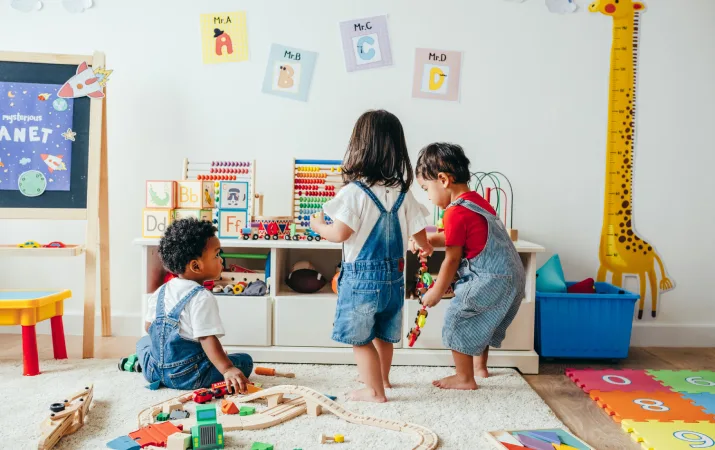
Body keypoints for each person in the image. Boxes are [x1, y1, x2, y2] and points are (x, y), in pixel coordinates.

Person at [310, 109, 433, 402]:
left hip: (362, 281)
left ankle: (374, 391)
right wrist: (421, 246)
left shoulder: (355, 192)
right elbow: (420, 234)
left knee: (360, 339)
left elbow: (339, 233)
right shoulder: (403, 191)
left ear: (360, 148)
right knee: (383, 334)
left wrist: (318, 226)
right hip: (394, 279)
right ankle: (384, 380)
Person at [411, 142, 525, 390]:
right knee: (481, 319)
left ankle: (464, 378)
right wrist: (429, 239)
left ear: (442, 180)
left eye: (426, 189)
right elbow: (461, 238)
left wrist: (437, 291)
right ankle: (479, 367)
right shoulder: (476, 202)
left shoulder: (454, 212)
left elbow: (452, 258)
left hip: (489, 276)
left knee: (458, 318)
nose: (428, 197)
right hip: (512, 275)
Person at [136, 218, 253, 393]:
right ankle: (222, 366)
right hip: (189, 376)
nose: (221, 260)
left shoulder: (161, 291)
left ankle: (142, 365)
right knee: (244, 361)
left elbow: (148, 327)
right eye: (216, 255)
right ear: (196, 266)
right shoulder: (201, 297)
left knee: (143, 342)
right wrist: (227, 369)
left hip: (154, 371)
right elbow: (207, 338)